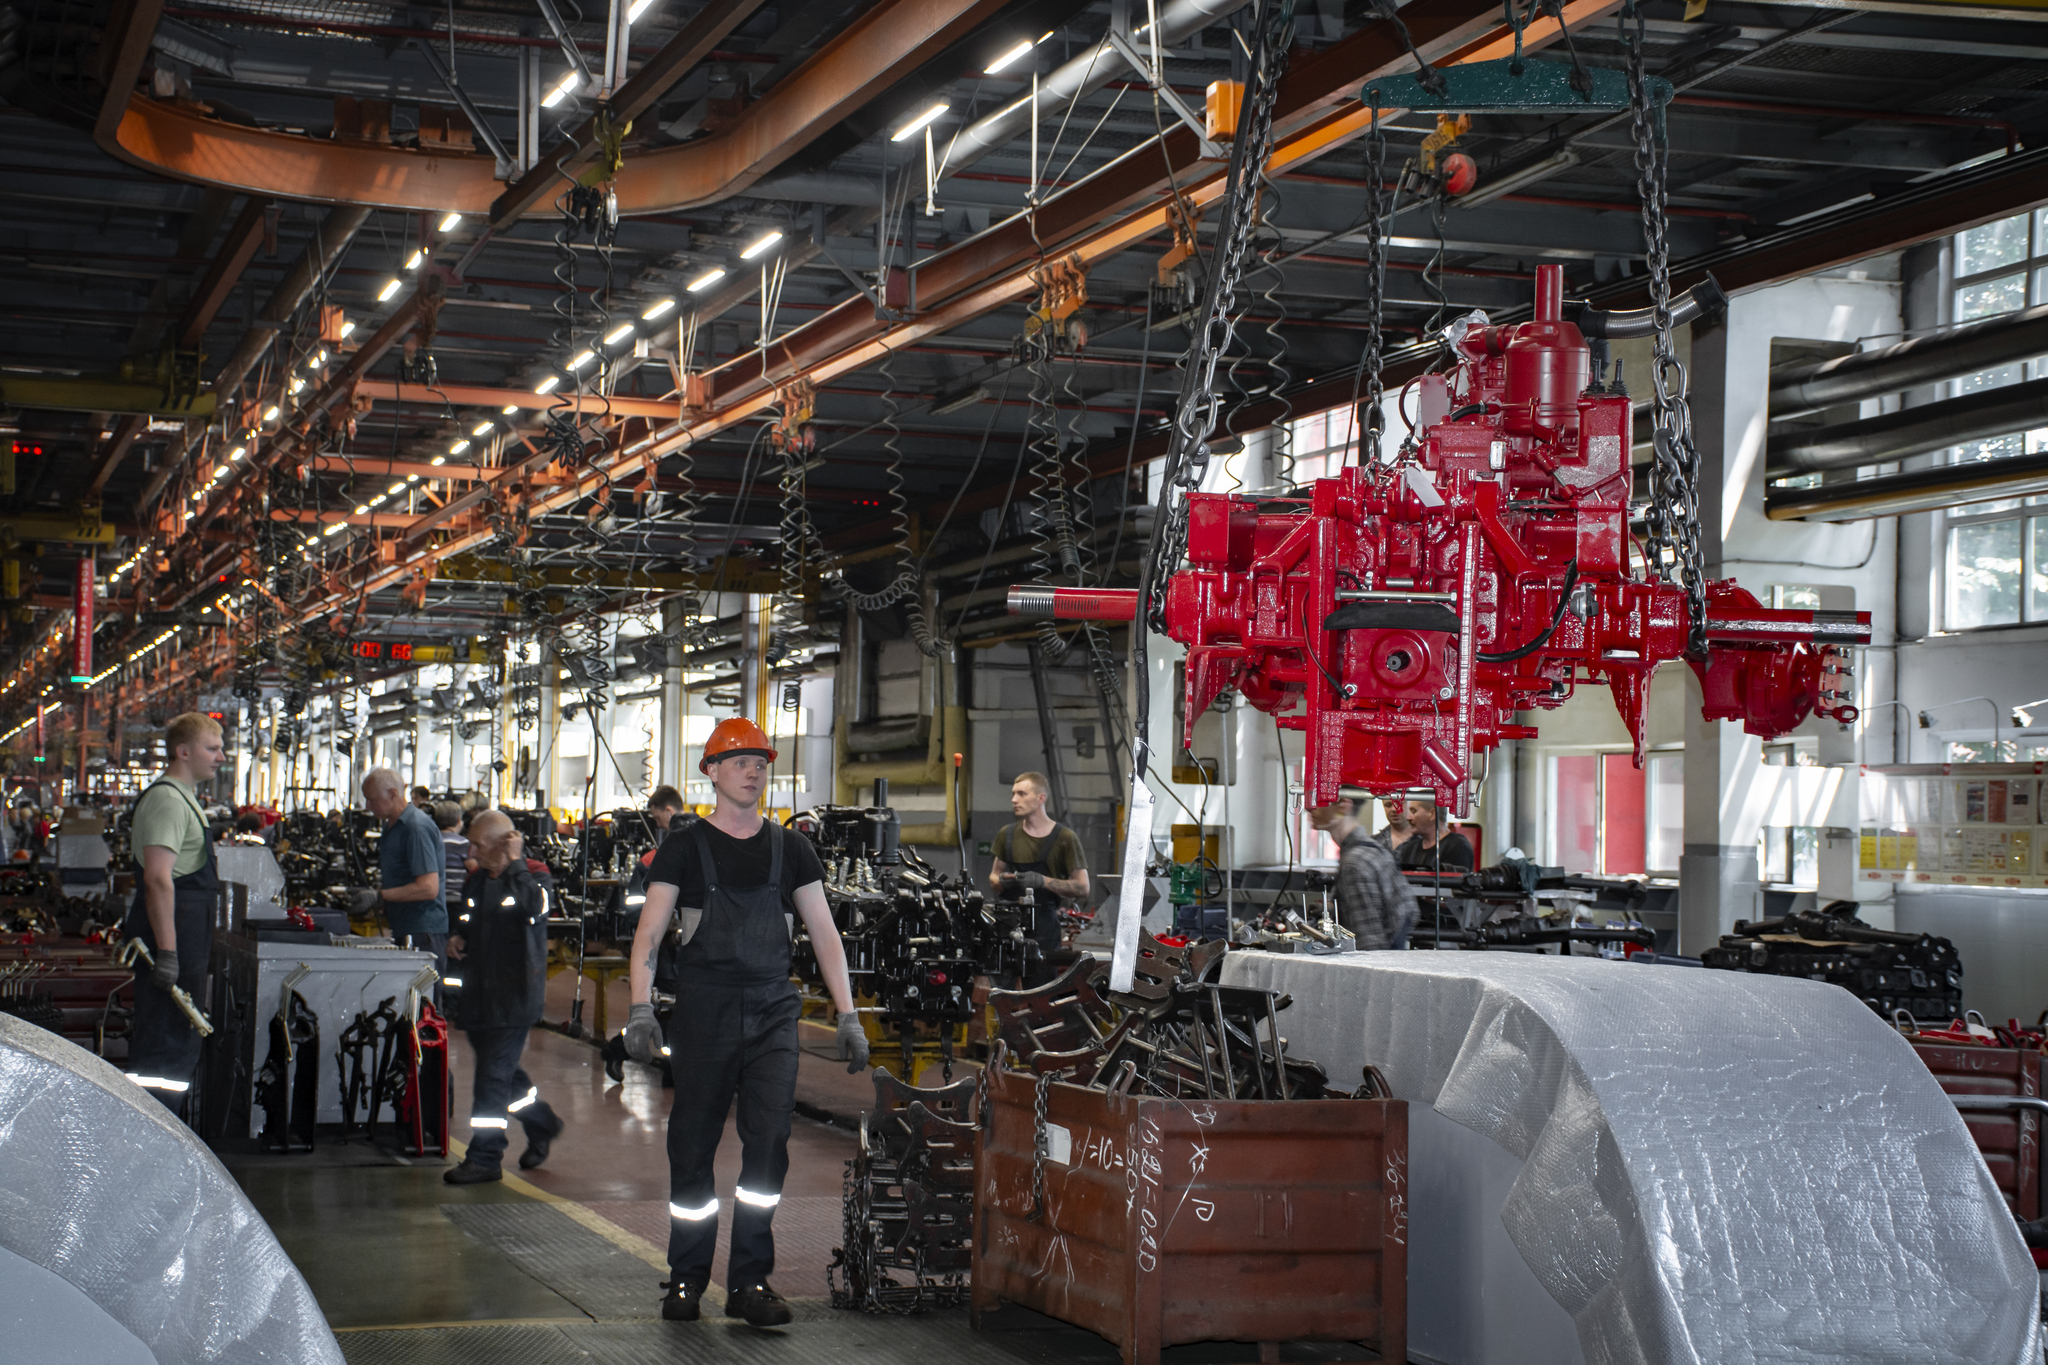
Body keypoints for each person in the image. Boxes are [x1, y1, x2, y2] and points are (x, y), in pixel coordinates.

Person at [621, 716, 866, 1328]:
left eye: (760, 760)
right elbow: (649, 934)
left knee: (767, 1149)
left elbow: (826, 935)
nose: (753, 769)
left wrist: (849, 1015)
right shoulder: (683, 846)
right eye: (739, 760)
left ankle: (750, 1282)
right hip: (704, 1009)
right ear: (710, 771)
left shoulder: (790, 848)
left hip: (771, 1011)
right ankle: (686, 1279)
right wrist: (641, 1007)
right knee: (693, 1146)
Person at [442, 810, 566, 1184]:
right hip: (479, 994)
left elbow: (536, 908)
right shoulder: (477, 880)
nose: (472, 852)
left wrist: (515, 864)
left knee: (491, 1079)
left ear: (502, 842)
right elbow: (468, 917)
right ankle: (542, 1122)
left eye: (478, 844)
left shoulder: (533, 875)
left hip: (514, 998)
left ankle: (485, 1157)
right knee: (504, 1077)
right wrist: (458, 936)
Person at [120, 712, 226, 1110]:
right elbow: (158, 879)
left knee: (175, 1041)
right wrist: (167, 952)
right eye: (211, 748)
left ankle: (159, 1138)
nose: (220, 757)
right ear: (183, 751)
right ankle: (151, 1142)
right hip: (171, 942)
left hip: (182, 940)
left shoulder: (184, 799)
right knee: (163, 1047)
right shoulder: (168, 800)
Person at [988, 772, 1089, 984]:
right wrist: (1002, 880)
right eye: (1013, 794)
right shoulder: (1006, 834)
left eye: (1022, 794)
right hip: (1006, 924)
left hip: (1042, 927)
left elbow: (1082, 887)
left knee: (1039, 995)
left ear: (1041, 798)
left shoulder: (1064, 838)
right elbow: (993, 878)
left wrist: (1042, 881)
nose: (1014, 800)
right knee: (1001, 995)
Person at [354, 769, 448, 975]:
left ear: (393, 794)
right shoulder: (391, 827)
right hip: (405, 926)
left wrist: (379, 896)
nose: (368, 806)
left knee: (423, 1001)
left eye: (372, 800)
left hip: (422, 930)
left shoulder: (415, 827)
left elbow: (428, 888)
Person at [1307, 789, 1418, 951]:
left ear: (1343, 806)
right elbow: (1409, 910)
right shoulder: (1370, 849)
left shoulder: (1355, 862)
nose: (1309, 808)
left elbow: (1369, 944)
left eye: (1319, 800)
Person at [1394, 797, 1475, 871]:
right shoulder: (1408, 849)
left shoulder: (1458, 847)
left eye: (1413, 811)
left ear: (1432, 814)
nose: (1408, 818)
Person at [434, 801, 470, 908]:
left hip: (436, 897)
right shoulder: (462, 843)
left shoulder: (432, 841)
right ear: (459, 820)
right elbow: (472, 868)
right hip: (456, 899)